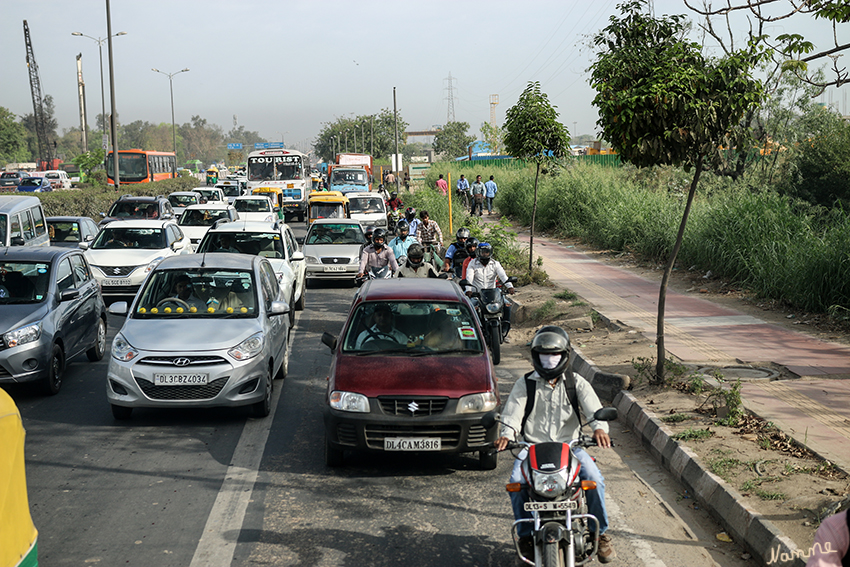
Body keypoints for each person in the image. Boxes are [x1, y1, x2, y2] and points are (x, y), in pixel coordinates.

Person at [494, 326, 616, 564]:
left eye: (554, 355)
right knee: (515, 483)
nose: (549, 360)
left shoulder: (576, 382)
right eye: (543, 355)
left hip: (571, 448)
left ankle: (600, 534)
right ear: (535, 356)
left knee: (594, 479)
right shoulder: (525, 383)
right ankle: (526, 537)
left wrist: (600, 428)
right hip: (531, 449)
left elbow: (594, 411)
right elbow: (512, 415)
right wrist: (507, 435)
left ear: (565, 355)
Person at [464, 242, 515, 336]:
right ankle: (473, 332)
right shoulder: (472, 263)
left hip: (493, 295)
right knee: (468, 308)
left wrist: (510, 286)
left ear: (490, 252)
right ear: (478, 253)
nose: (484, 254)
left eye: (486, 252)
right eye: (482, 252)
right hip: (477, 295)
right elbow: (469, 277)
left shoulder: (495, 264)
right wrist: (468, 289)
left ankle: (505, 328)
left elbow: (503, 276)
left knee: (507, 305)